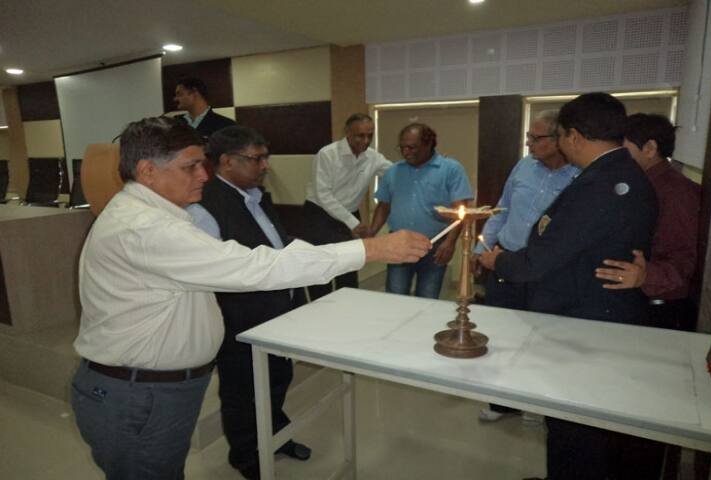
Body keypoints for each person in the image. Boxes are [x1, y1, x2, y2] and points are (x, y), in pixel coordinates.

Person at [70, 116, 430, 480]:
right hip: (140, 394)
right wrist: (370, 249)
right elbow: (254, 267)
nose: (204, 175)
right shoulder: (146, 229)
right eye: (191, 166)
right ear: (148, 171)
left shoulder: (154, 215)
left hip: (152, 389)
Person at [479, 93, 660, 480]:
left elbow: (544, 256)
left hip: (585, 319)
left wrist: (498, 261)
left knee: (576, 426)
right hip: (594, 312)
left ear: (573, 136)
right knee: (573, 421)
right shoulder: (621, 174)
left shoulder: (599, 185)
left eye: (559, 136)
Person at [187, 126, 311, 480]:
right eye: (257, 159)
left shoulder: (255, 195)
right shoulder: (204, 209)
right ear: (227, 162)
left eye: (265, 158)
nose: (265, 166)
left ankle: (275, 435)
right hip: (239, 321)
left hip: (277, 312)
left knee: (278, 377)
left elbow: (275, 245)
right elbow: (215, 274)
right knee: (241, 392)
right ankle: (245, 455)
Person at [472, 110, 579, 422]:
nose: (529, 142)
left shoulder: (580, 176)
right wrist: (480, 250)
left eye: (535, 137)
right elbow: (501, 210)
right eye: (529, 136)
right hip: (506, 262)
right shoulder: (523, 166)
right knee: (502, 335)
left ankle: (540, 404)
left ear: (559, 140)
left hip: (547, 271)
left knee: (542, 339)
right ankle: (503, 402)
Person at [595, 113, 701, 332]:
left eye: (621, 147)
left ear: (650, 148)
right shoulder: (636, 183)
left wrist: (646, 275)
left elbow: (685, 258)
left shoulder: (676, 193)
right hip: (635, 298)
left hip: (661, 308)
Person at [370, 123, 474, 299]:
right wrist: (371, 232)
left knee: (427, 297)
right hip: (398, 242)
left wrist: (450, 243)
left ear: (428, 144)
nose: (406, 152)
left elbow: (460, 211)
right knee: (395, 297)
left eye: (412, 147)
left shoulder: (451, 169)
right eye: (402, 147)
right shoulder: (393, 172)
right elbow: (384, 205)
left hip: (434, 245)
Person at [302, 113, 393, 300]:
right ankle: (320, 310)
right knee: (321, 269)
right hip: (319, 215)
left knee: (350, 267)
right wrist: (352, 222)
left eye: (369, 135)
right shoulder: (327, 154)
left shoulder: (373, 157)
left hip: (350, 214)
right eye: (360, 135)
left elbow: (396, 172)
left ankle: (348, 306)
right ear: (347, 133)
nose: (365, 141)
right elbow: (323, 195)